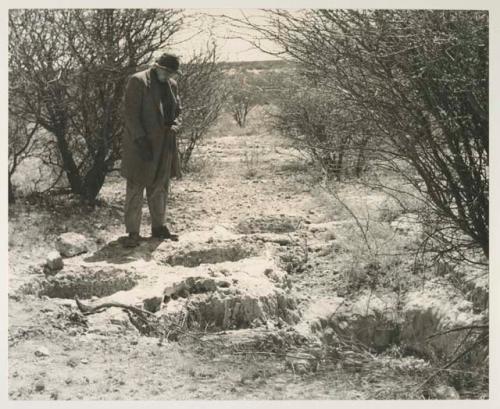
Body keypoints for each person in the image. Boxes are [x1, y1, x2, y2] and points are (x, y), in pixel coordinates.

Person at [120, 52, 183, 247]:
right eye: (166, 71)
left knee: (160, 187)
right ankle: (132, 232)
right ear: (157, 67)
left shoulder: (172, 85)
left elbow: (178, 111)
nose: (169, 75)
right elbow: (130, 115)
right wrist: (140, 141)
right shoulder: (138, 81)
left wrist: (176, 125)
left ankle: (158, 227)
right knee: (136, 188)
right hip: (141, 144)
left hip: (164, 145)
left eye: (172, 72)